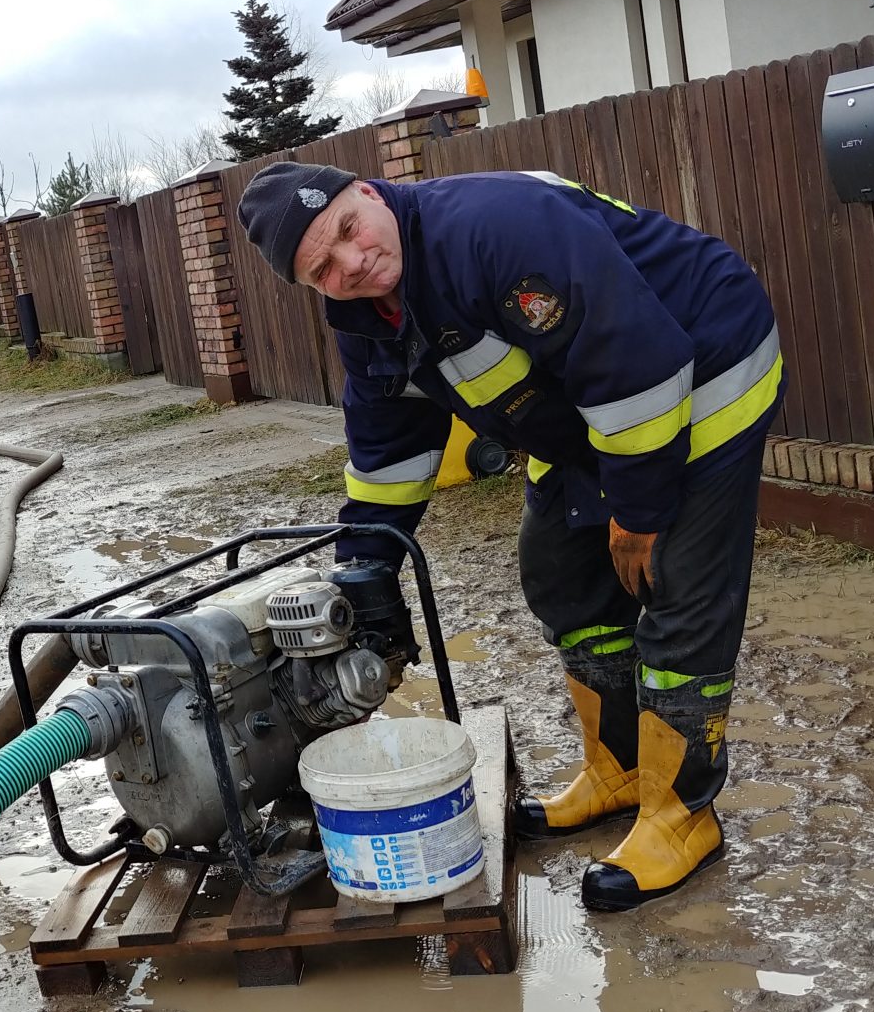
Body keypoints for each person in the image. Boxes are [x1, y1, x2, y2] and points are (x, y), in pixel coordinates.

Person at [236, 162, 784, 912]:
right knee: (560, 572)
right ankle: (619, 772)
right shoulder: (365, 318)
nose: (351, 264)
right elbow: (389, 446)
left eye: (346, 233)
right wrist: (365, 570)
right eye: (324, 270)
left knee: (678, 586)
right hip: (590, 413)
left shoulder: (491, 228)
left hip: (701, 366)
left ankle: (681, 815)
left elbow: (634, 362)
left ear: (365, 193)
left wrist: (640, 510)